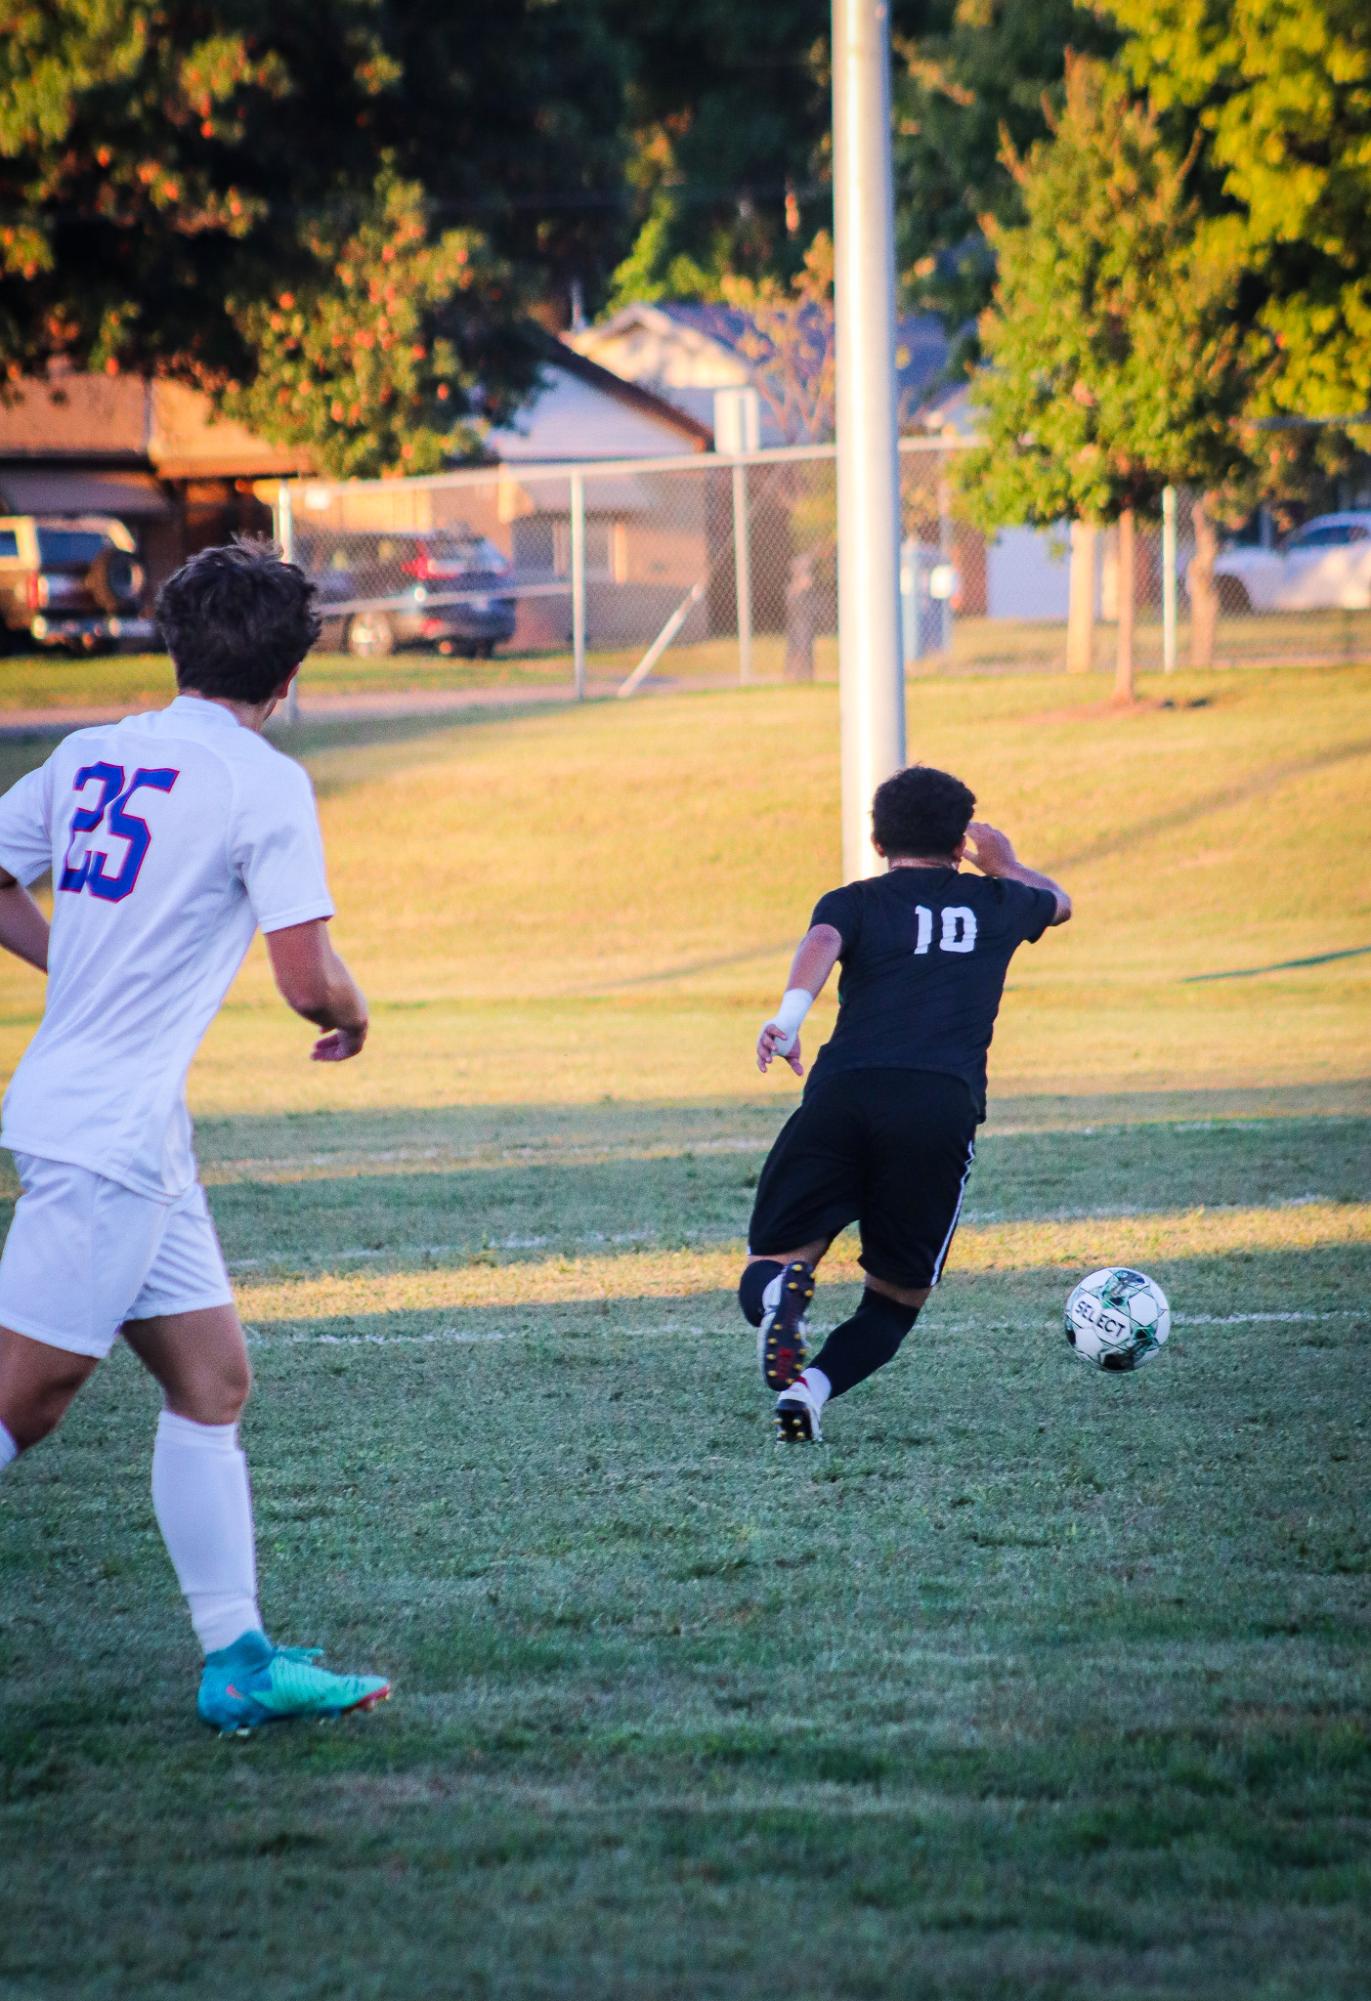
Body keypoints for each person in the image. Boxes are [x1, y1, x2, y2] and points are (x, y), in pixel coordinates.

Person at [0, 541, 390, 1733]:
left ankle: (239, 1663)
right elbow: (303, 980)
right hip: (106, 1134)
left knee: (213, 1383)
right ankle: (239, 1661)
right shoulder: (262, 780)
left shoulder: (92, 751)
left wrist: (85, 970)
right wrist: (354, 1011)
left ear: (175, 643)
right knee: (27, 1400)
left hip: (123, 1126)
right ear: (288, 680)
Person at [739, 763, 1071, 1442]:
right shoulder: (998, 901)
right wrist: (1002, 861)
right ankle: (809, 1390)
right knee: (893, 1301)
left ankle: (781, 1297)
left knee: (775, 1259)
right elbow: (1059, 901)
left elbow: (822, 942)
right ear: (959, 843)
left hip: (844, 1091)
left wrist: (789, 1017)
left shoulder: (853, 900)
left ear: (876, 839)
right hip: (937, 1106)